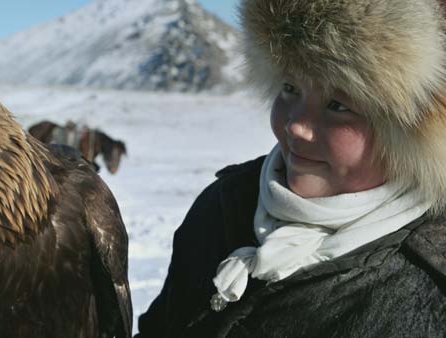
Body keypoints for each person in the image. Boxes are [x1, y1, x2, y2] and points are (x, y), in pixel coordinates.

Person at [135, 0, 446, 337]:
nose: (297, 126)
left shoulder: (430, 280)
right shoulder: (224, 207)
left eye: (338, 105)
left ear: (411, 133)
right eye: (289, 88)